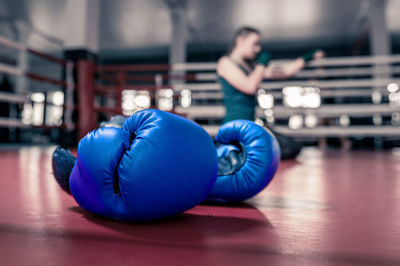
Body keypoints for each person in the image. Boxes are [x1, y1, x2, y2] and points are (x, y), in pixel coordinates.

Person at [217, 26, 324, 159]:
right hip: (234, 128)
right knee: (277, 150)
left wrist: (307, 57)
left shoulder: (252, 67)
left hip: (251, 126)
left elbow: (284, 71)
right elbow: (249, 86)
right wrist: (261, 64)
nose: (258, 49)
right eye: (254, 44)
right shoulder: (225, 63)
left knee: (291, 146)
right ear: (240, 41)